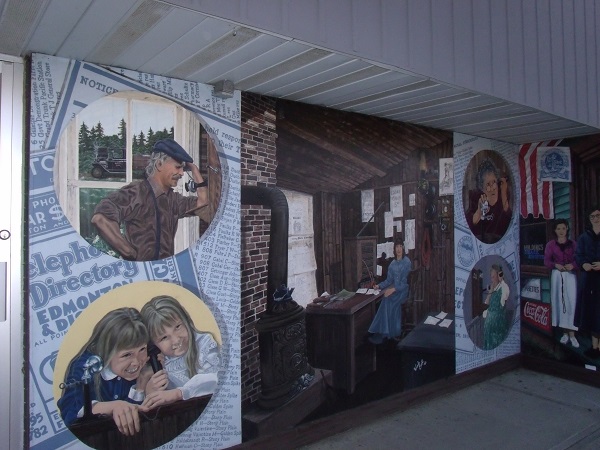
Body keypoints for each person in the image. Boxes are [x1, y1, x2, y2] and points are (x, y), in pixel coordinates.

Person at [91, 138, 209, 261]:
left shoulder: (174, 200)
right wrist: (129, 252)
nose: (182, 173)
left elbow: (203, 203)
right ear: (159, 165)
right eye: (178, 167)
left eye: (183, 169)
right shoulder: (136, 192)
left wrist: (194, 170)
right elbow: (100, 219)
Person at [57, 308, 160, 436]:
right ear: (106, 351)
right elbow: (70, 414)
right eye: (127, 354)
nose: (137, 362)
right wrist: (113, 407)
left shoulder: (146, 364)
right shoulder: (85, 366)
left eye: (142, 349)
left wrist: (141, 386)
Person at [140, 295, 220, 410]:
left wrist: (178, 393)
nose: (176, 340)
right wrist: (150, 392)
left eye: (178, 327)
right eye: (164, 338)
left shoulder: (204, 344)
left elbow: (216, 379)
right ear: (153, 344)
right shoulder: (160, 363)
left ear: (186, 320)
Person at [368, 239, 411, 344]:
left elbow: (405, 283)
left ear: (403, 248)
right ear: (394, 249)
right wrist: (379, 286)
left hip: (403, 291)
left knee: (389, 300)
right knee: (385, 299)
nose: (399, 249)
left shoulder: (407, 262)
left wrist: (393, 289)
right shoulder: (392, 264)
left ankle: (388, 333)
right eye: (397, 247)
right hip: (395, 290)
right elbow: (388, 280)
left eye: (400, 246)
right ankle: (383, 332)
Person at [544, 219, 579, 347]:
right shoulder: (551, 245)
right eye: (558, 229)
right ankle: (565, 333)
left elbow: (579, 259)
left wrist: (573, 265)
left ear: (567, 229)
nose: (561, 231)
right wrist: (555, 265)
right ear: (555, 230)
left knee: (571, 302)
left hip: (570, 276)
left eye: (563, 228)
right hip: (557, 276)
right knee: (560, 302)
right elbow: (546, 261)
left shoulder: (573, 244)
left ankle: (572, 334)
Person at [466, 158, 512, 244]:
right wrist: (479, 212)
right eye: (487, 184)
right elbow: (469, 225)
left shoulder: (504, 195)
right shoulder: (476, 199)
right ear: (481, 188)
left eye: (494, 182)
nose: (492, 188)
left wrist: (504, 194)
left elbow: (510, 222)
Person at [575, 207, 600, 358]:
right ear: (589, 219)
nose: (596, 219)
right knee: (591, 313)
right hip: (589, 280)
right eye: (593, 216)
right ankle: (595, 347)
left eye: (598, 215)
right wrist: (583, 264)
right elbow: (578, 255)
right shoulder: (584, 237)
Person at [482, 264, 510, 350]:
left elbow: (504, 300)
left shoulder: (504, 288)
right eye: (491, 277)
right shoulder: (493, 289)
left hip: (497, 328)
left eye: (493, 276)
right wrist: (490, 291)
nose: (492, 279)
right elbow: (486, 303)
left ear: (499, 275)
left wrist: (501, 280)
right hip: (488, 330)